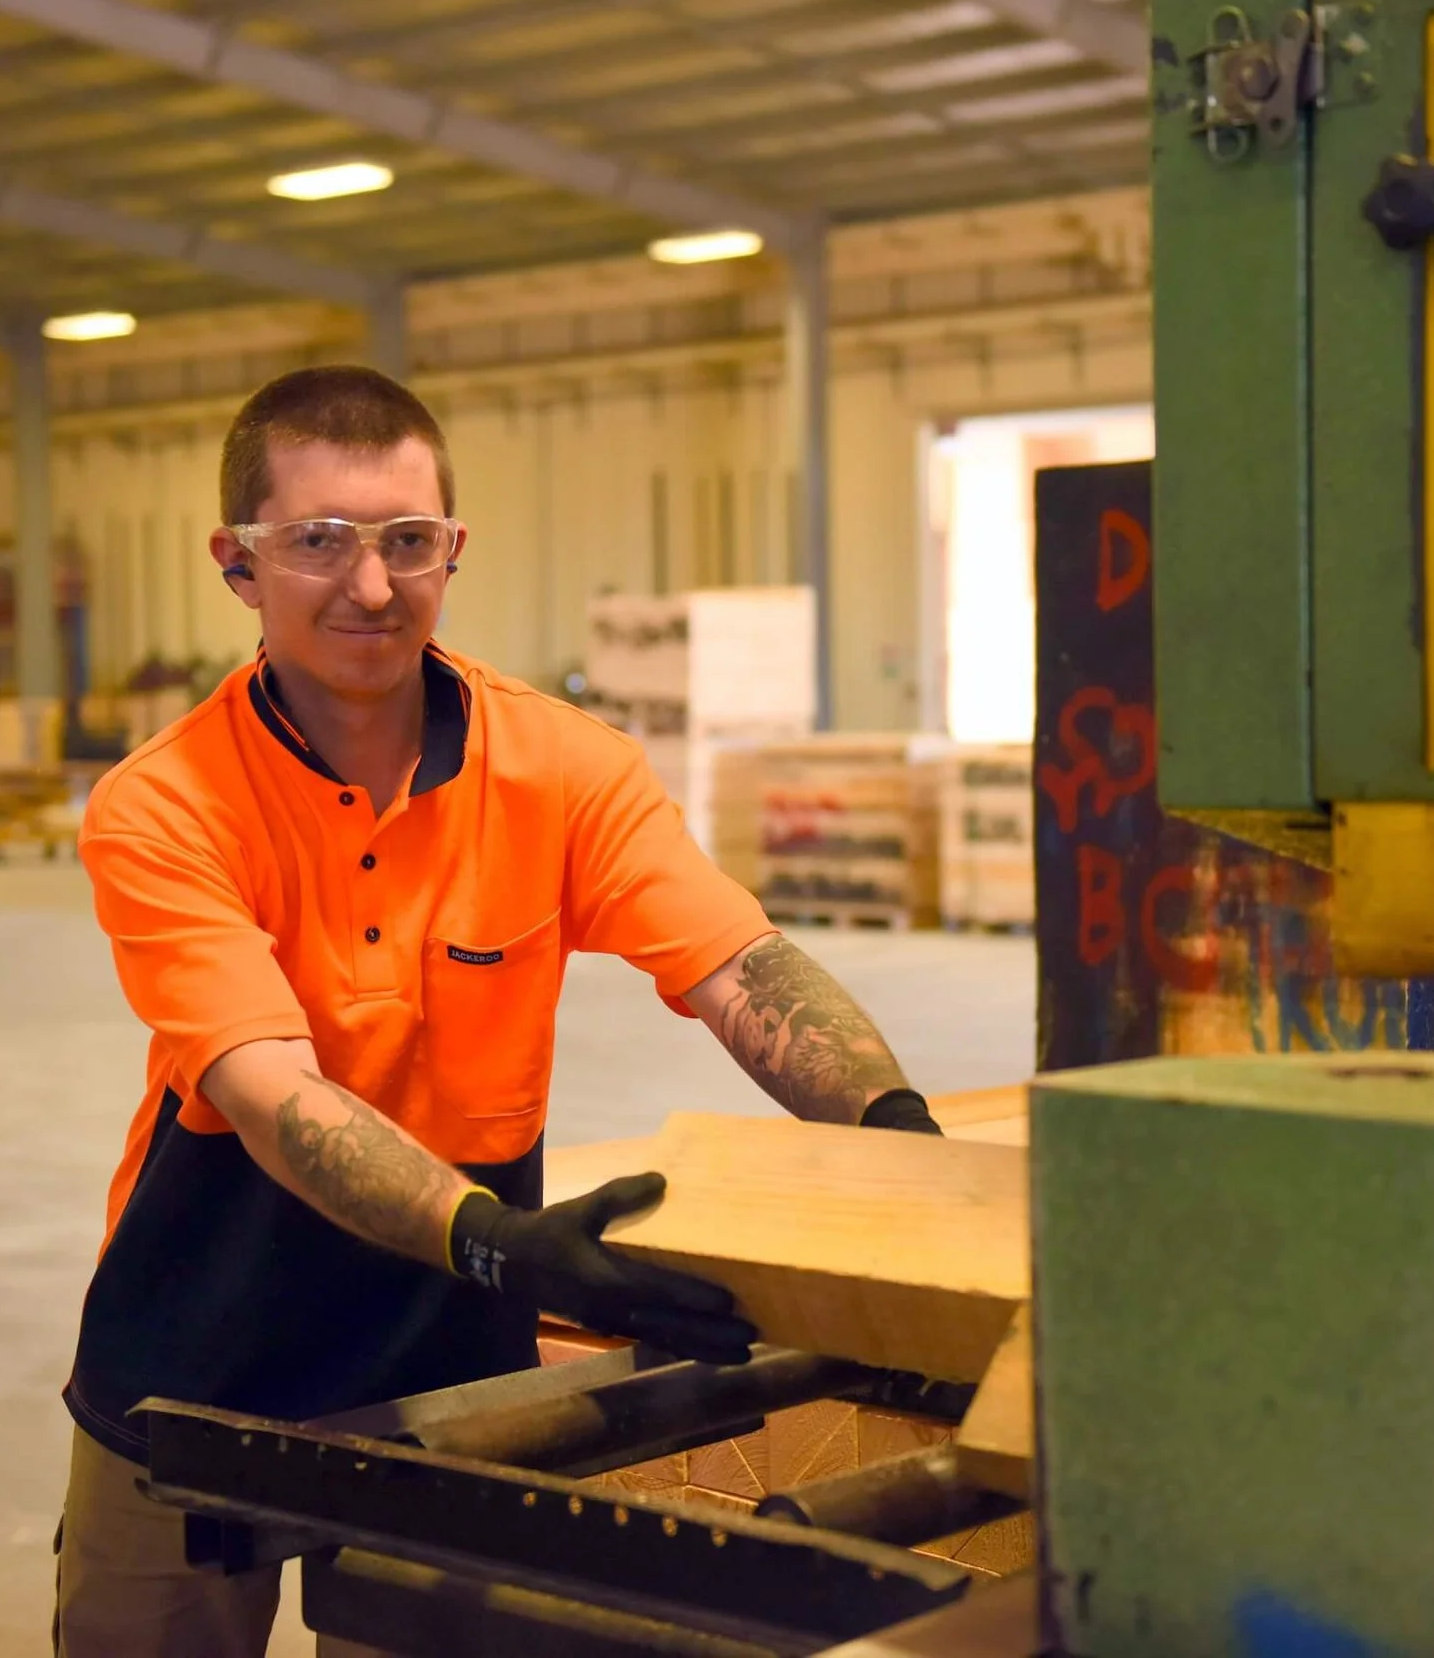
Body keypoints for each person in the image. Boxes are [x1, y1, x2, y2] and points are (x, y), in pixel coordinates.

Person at [53, 365, 942, 1656]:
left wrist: (898, 1134)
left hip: (450, 1368)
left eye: (410, 542)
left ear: (451, 551)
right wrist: (496, 1242)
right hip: (199, 1351)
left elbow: (739, 966)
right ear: (238, 565)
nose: (372, 587)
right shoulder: (167, 802)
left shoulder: (562, 769)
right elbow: (271, 1092)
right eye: (319, 543)